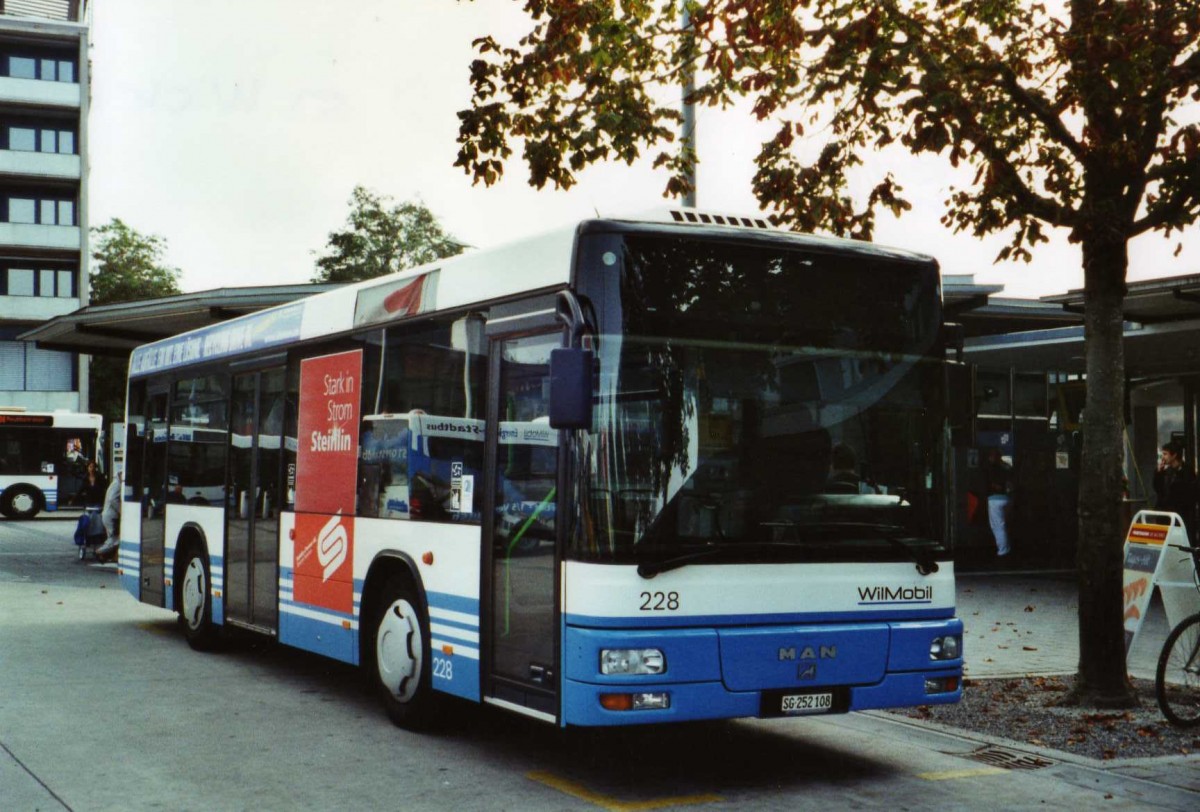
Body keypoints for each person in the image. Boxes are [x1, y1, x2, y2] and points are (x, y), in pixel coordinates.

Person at [1153, 440, 1196, 527]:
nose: (1163, 457)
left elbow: (1189, 494)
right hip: (1165, 515)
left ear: (1174, 455)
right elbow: (1158, 489)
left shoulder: (1187, 471)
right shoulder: (1166, 471)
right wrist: (1158, 473)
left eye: (1165, 454)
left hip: (1180, 514)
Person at [985, 449, 1012, 557]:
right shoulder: (1006, 467)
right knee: (1002, 525)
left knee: (997, 526)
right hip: (1006, 498)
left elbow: (991, 483)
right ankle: (1006, 547)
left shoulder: (991, 469)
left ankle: (1003, 550)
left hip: (995, 499)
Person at [96, 471, 123, 561]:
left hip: (108, 515)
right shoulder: (116, 485)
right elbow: (113, 499)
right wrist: (121, 511)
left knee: (112, 537)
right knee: (114, 539)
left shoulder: (115, 484)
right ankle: (100, 552)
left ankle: (112, 556)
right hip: (111, 516)